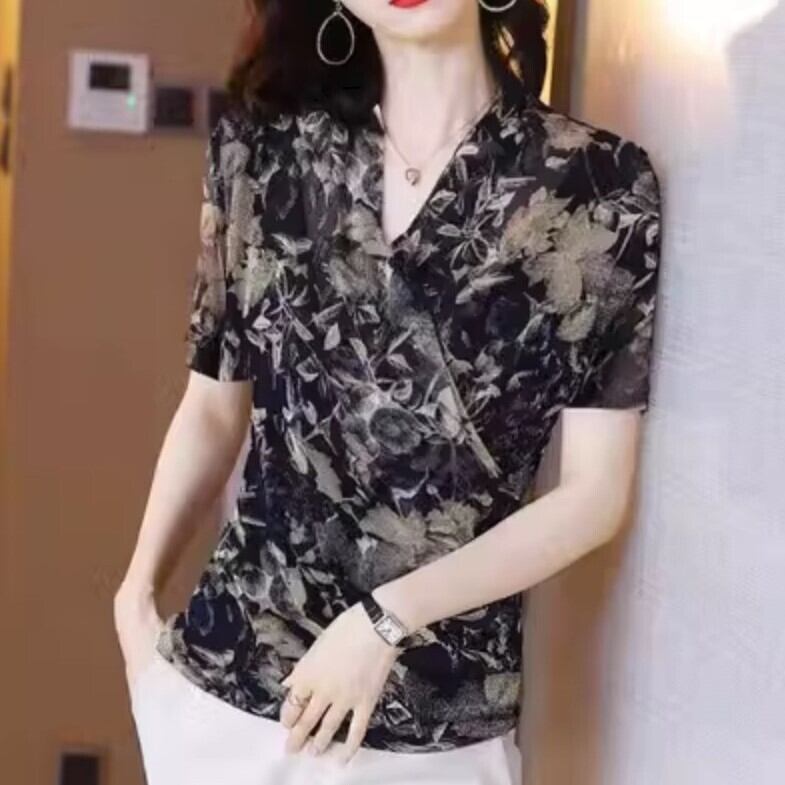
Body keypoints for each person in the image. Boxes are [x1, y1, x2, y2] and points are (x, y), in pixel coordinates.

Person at [113, 0, 663, 783]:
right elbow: (210, 405)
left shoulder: (597, 188)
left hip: (436, 727)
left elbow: (594, 495)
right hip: (222, 698)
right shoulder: (261, 151)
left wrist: (384, 620)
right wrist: (133, 600)